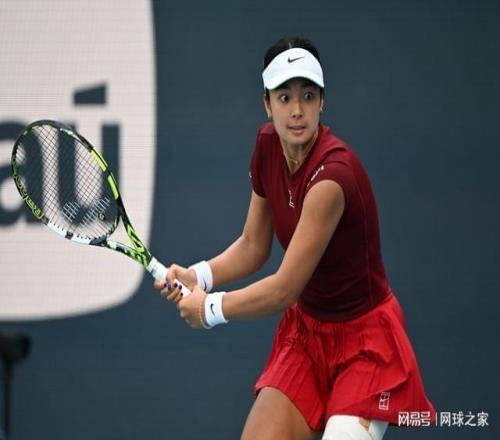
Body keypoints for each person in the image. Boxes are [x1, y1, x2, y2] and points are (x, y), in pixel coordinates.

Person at [154, 36, 435, 440]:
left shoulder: (333, 177)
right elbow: (253, 245)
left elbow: (284, 289)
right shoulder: (267, 146)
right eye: (284, 97)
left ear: (323, 101)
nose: (297, 110)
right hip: (308, 337)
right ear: (267, 104)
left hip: (366, 346)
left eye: (308, 95)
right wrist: (199, 276)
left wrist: (209, 309)